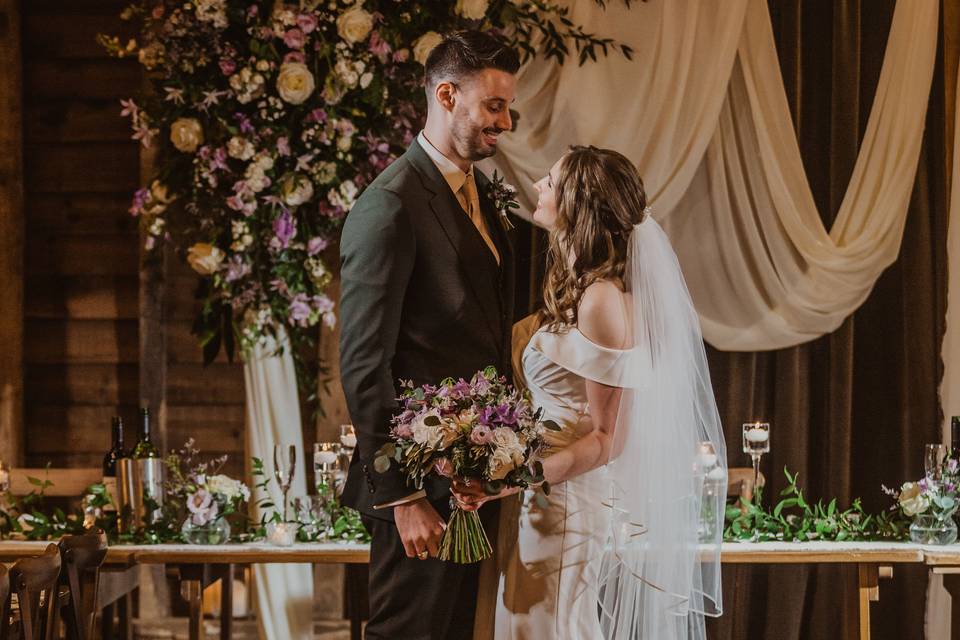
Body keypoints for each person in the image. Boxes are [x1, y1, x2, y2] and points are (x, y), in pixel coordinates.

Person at [453, 146, 728, 639]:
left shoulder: (602, 298)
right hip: (547, 497)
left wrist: (513, 478)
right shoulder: (584, 288)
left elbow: (607, 439)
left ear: (578, 204)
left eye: (552, 181)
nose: (538, 184)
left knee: (548, 626)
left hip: (567, 503)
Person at [338, 31, 519, 640]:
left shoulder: (477, 198)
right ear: (447, 95)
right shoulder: (388, 205)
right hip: (416, 494)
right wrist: (402, 495)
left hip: (467, 485)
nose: (507, 121)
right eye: (494, 106)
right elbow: (365, 363)